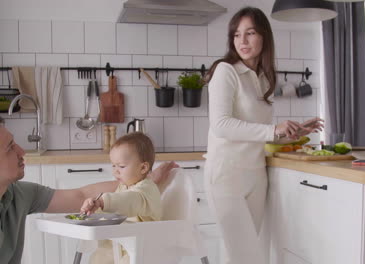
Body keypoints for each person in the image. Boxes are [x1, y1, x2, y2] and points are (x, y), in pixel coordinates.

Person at [203, 6, 324, 264]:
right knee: (245, 257)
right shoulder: (226, 71)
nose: (242, 41)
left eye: (250, 33)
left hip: (256, 176)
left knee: (240, 257)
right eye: (236, 35)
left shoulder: (264, 79)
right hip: (226, 177)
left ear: (264, 37)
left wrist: (294, 133)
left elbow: (259, 133)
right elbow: (221, 125)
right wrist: (273, 129)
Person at [0, 117, 178, 264]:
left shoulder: (19, 195)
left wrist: (143, 181)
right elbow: (126, 198)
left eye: (122, 166)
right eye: (10, 147)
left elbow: (85, 196)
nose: (22, 151)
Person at [80, 132, 162, 264]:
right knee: (98, 257)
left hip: (143, 247)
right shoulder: (123, 187)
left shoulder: (146, 189)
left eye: (121, 166)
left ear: (143, 167)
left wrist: (103, 201)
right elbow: (113, 211)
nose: (115, 171)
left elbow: (129, 201)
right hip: (121, 243)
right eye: (113, 165)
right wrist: (94, 209)